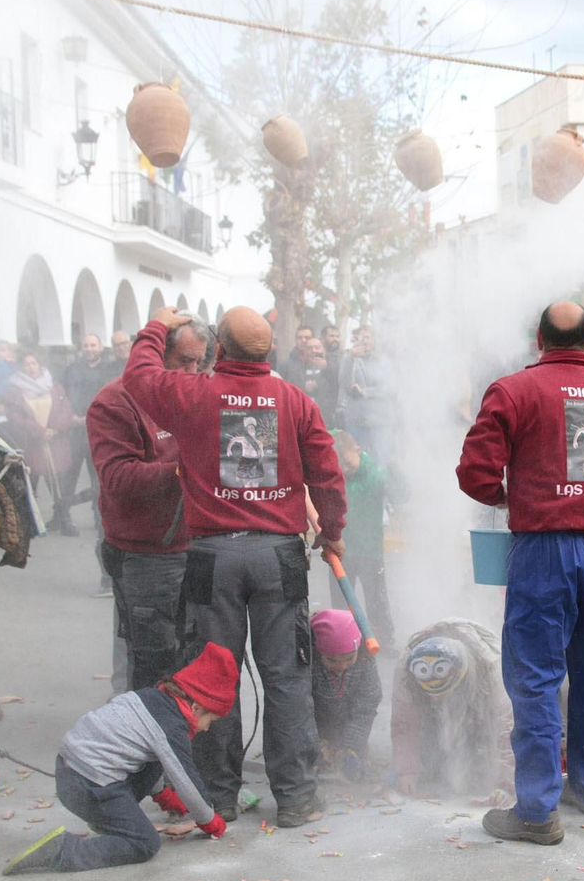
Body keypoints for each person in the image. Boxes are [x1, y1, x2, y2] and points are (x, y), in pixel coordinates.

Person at [123, 306, 347, 828]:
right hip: (278, 556)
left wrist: (157, 325)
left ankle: (218, 796)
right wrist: (332, 530)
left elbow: (137, 377)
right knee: (286, 677)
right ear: (269, 353)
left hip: (210, 558)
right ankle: (295, 798)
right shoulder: (295, 400)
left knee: (209, 680)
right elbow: (327, 471)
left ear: (219, 350)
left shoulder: (192, 392)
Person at [456, 300, 584, 845]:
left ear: (539, 338)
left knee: (536, 677)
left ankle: (537, 810)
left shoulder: (512, 391)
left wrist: (512, 496)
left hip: (544, 549)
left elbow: (475, 473)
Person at [3, 643, 235, 875]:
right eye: (211, 720)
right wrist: (209, 820)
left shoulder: (152, 699)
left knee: (156, 758)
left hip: (73, 771)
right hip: (87, 785)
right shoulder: (172, 727)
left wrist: (163, 795)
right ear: (196, 707)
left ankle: (111, 819)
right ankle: (64, 851)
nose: (205, 729)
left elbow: (147, 755)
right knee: (145, 843)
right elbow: (187, 780)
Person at [88, 320, 209, 692]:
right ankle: (137, 734)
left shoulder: (194, 393)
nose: (191, 373)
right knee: (149, 659)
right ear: (157, 355)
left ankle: (184, 738)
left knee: (194, 654)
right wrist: (180, 471)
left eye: (199, 364)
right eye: (184, 361)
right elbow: (118, 479)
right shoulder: (115, 401)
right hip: (145, 553)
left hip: (196, 545)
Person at [390, 620, 515, 799]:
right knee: (433, 759)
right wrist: (407, 771)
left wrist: (504, 784)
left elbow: (505, 730)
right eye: (432, 693)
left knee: (481, 756)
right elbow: (404, 723)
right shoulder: (406, 670)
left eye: (444, 692)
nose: (438, 699)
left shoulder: (492, 669)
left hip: (479, 698)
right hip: (427, 708)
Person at [334, 429, 397, 646]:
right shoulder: (335, 474)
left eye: (347, 461)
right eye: (338, 462)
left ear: (358, 451)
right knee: (341, 600)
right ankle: (341, 642)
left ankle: (385, 640)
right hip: (340, 548)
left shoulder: (376, 474)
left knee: (377, 599)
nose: (343, 468)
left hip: (370, 548)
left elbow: (401, 495)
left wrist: (396, 471)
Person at [4, 351, 78, 536]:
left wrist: (55, 429)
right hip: (32, 445)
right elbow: (15, 417)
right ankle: (30, 524)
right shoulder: (14, 391)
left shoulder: (54, 387)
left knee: (59, 484)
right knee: (30, 486)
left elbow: (65, 410)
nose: (31, 367)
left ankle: (63, 519)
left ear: (39, 365)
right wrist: (39, 432)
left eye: (33, 363)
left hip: (54, 443)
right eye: (27, 364)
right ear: (21, 367)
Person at [309, 610, 382, 780]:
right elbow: (300, 708)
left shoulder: (365, 661)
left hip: (350, 720)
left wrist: (353, 745)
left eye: (349, 658)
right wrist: (312, 743)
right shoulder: (310, 664)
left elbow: (367, 706)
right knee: (315, 761)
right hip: (316, 720)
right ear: (319, 652)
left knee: (353, 763)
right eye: (332, 660)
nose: (341, 666)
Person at [61, 334, 119, 514]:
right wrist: (70, 416)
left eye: (93, 345)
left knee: (98, 479)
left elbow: (113, 398)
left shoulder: (109, 370)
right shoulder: (72, 369)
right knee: (69, 476)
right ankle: (62, 516)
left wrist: (91, 417)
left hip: (98, 432)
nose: (89, 349)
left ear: (101, 347)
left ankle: (99, 517)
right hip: (75, 432)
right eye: (86, 345)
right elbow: (62, 396)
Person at [340, 326, 396, 464]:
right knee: (357, 461)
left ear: (374, 340)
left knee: (380, 461)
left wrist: (365, 392)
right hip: (356, 420)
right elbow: (344, 383)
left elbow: (389, 388)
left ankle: (380, 485)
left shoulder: (384, 362)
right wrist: (350, 359)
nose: (363, 341)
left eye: (367, 337)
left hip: (380, 421)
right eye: (360, 337)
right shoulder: (349, 358)